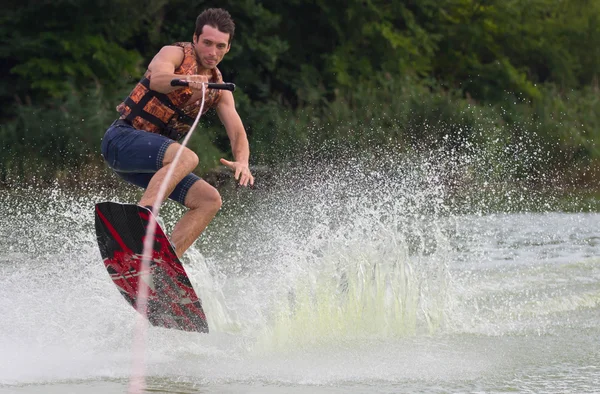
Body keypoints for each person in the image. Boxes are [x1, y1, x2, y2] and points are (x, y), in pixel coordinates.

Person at [101, 8, 253, 258]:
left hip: (150, 165)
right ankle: (140, 222)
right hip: (121, 140)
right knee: (188, 158)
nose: (212, 52)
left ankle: (163, 263)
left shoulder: (219, 89)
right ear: (195, 39)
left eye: (219, 46)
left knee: (210, 200)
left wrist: (243, 161)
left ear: (228, 48)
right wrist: (183, 80)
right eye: (206, 43)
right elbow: (158, 78)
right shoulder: (175, 53)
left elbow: (237, 132)